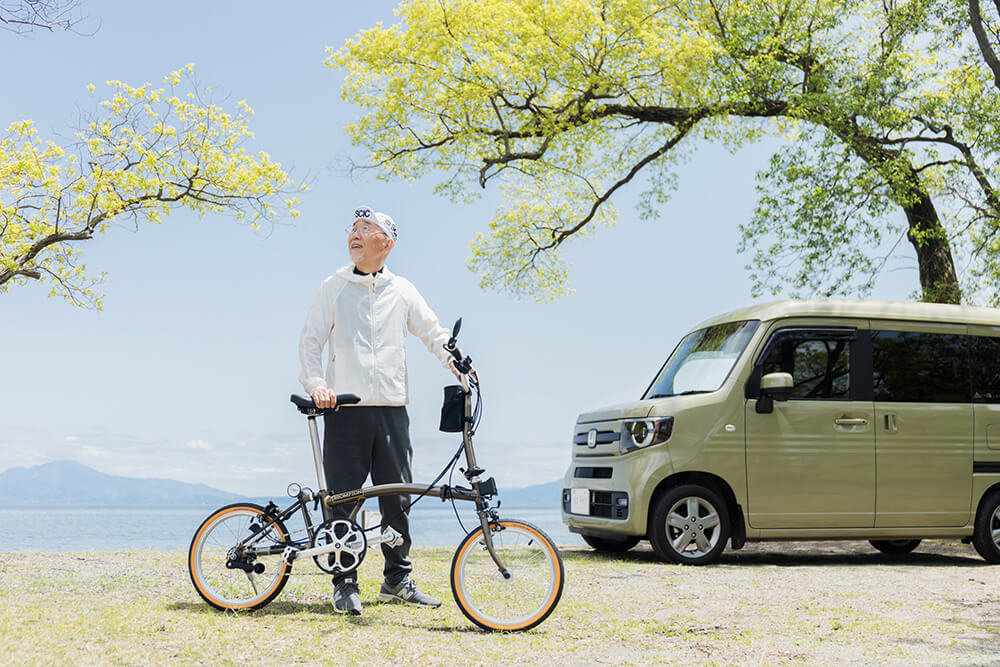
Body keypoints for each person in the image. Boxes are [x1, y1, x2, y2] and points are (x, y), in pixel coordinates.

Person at [298, 205, 457, 616]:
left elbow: (433, 332)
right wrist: (317, 385)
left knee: (397, 498)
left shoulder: (402, 289)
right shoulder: (332, 286)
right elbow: (310, 342)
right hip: (344, 410)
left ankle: (397, 580)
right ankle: (344, 583)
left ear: (387, 242)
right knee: (342, 500)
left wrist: (458, 366)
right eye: (352, 228)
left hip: (391, 409)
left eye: (365, 228)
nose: (354, 234)